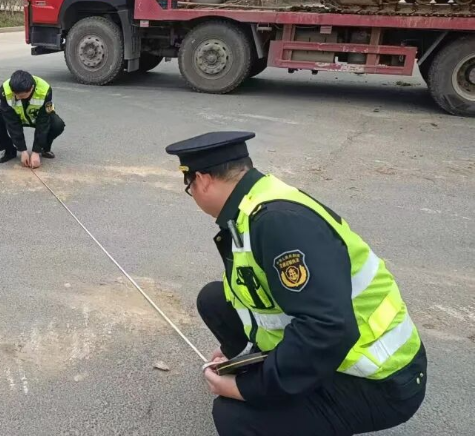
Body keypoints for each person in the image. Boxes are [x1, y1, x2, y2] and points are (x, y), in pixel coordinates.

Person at [165, 131, 426, 436]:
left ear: (203, 180)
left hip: (382, 380)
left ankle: (295, 401)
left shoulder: (277, 222)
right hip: (339, 351)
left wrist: (247, 388)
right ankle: (273, 378)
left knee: (235, 417)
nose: (193, 195)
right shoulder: (255, 201)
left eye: (190, 187)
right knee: (214, 299)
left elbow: (327, 328)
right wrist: (240, 361)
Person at [0, 70, 65, 168]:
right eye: (15, 94)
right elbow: (12, 122)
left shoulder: (46, 90)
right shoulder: (4, 90)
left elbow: (43, 120)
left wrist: (36, 151)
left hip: (36, 117)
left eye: (21, 96)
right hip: (16, 115)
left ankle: (44, 148)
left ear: (31, 88)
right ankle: (9, 150)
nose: (17, 98)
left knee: (58, 124)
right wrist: (22, 150)